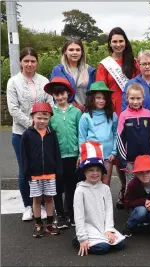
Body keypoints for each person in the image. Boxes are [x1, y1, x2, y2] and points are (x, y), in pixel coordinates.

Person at [7, 47, 53, 221]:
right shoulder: (13, 82)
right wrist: (31, 125)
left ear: (37, 62)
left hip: (43, 133)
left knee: (41, 168)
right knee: (25, 169)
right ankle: (28, 205)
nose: (29, 64)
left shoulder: (43, 81)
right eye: (26, 61)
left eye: (33, 61)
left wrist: (43, 123)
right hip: (21, 134)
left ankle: (41, 204)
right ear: (21, 62)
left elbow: (50, 103)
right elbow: (13, 109)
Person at [96, 27, 140, 207]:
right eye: (114, 41)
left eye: (121, 41)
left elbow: (139, 87)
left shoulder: (134, 62)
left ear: (126, 42)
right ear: (110, 43)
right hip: (112, 113)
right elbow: (100, 89)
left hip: (131, 112)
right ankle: (116, 190)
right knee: (113, 154)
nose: (118, 44)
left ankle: (130, 189)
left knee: (130, 154)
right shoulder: (104, 65)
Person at [73, 141, 125, 256]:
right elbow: (79, 215)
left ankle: (102, 236)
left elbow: (109, 210)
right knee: (103, 248)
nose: (95, 173)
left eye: (98, 170)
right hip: (88, 226)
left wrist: (109, 229)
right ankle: (77, 240)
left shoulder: (105, 188)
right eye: (91, 170)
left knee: (120, 244)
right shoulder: (80, 190)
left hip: (102, 226)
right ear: (84, 171)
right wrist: (82, 238)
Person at [44, 77, 82, 228]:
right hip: (57, 157)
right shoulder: (51, 113)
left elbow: (81, 134)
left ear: (68, 94)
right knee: (57, 187)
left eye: (62, 94)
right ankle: (60, 215)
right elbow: (47, 135)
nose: (60, 97)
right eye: (56, 95)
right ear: (53, 96)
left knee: (72, 186)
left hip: (73, 156)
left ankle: (71, 213)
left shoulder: (76, 112)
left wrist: (80, 154)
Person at [20, 102, 62, 237]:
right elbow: (24, 155)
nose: (42, 121)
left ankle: (50, 224)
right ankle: (38, 224)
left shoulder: (52, 134)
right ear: (33, 116)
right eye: (39, 117)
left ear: (49, 118)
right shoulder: (27, 134)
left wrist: (58, 170)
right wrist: (26, 172)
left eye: (46, 118)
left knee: (49, 199)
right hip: (34, 174)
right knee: (37, 199)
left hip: (50, 174)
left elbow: (57, 153)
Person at [78, 81, 118, 186]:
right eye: (98, 98)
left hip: (107, 155)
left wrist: (114, 152)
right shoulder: (85, 117)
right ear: (92, 99)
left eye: (104, 98)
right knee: (92, 183)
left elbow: (115, 134)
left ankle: (105, 202)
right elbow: (82, 138)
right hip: (92, 155)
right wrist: (81, 155)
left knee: (105, 183)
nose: (101, 101)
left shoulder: (113, 115)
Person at [117, 83, 150, 191]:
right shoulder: (124, 115)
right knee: (132, 185)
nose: (135, 101)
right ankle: (131, 207)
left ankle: (148, 206)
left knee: (147, 184)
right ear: (127, 98)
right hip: (130, 160)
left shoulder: (148, 114)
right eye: (132, 98)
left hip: (147, 158)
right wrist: (124, 162)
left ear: (143, 98)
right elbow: (120, 139)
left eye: (138, 98)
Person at [50, 38, 96, 111]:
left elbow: (94, 94)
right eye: (71, 50)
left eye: (78, 50)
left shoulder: (89, 70)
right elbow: (54, 94)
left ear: (82, 52)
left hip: (86, 112)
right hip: (66, 113)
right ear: (65, 52)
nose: (75, 52)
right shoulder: (58, 70)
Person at [122, 155, 150, 237]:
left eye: (148, 172)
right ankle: (129, 226)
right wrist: (143, 202)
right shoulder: (133, 184)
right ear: (136, 173)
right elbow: (127, 203)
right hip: (137, 209)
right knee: (141, 211)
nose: (145, 175)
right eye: (141, 172)